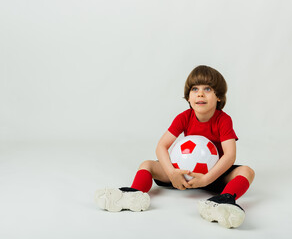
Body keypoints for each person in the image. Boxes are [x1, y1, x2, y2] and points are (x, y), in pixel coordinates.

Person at [95, 65, 255, 228]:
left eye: (207, 89)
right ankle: (133, 194)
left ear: (218, 96)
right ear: (188, 97)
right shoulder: (184, 117)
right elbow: (161, 146)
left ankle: (223, 201)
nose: (200, 93)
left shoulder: (223, 120)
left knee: (246, 171)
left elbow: (229, 155)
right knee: (147, 164)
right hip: (182, 174)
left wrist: (207, 178)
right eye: (194, 89)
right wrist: (172, 174)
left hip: (213, 176)